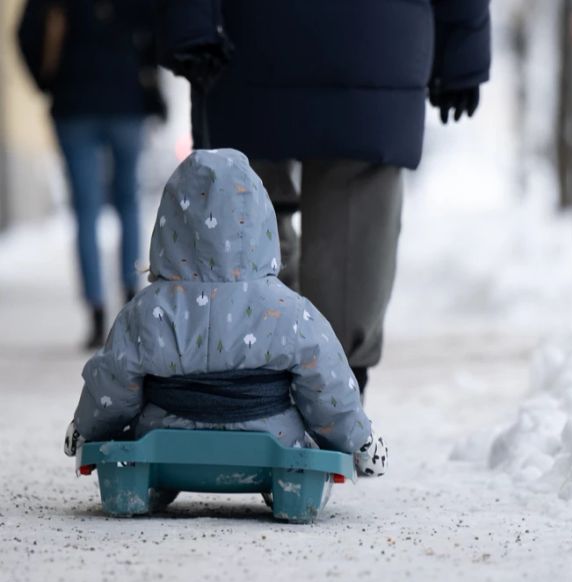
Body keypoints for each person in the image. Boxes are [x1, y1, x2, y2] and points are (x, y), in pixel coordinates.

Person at [155, 0, 492, 395]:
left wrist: (189, 24)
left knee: (242, 208)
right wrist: (461, 50)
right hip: (375, 43)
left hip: (250, 40)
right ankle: (336, 386)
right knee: (354, 219)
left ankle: (253, 376)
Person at [62, 149, 387, 483]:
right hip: (272, 448)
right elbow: (326, 383)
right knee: (300, 436)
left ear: (169, 223)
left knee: (139, 428)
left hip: (165, 448)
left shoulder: (147, 311)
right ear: (262, 225)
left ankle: (146, 487)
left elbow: (112, 383)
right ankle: (289, 493)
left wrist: (86, 429)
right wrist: (360, 443)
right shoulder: (289, 311)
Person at [17, 0, 166, 349]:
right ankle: (131, 303)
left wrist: (47, 81)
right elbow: (159, 27)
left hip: (74, 103)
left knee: (86, 210)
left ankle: (96, 311)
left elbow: (25, 33)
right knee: (128, 202)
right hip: (125, 99)